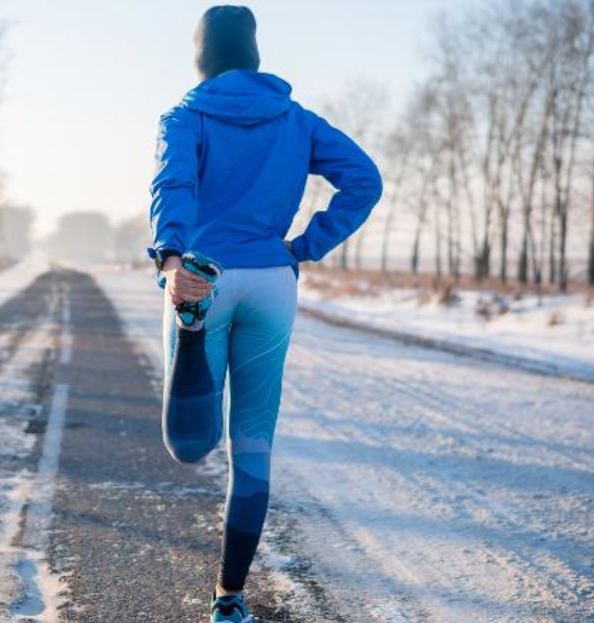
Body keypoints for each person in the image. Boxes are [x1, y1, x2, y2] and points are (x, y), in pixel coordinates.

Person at [146, 6, 383, 622]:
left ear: (202, 56)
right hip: (274, 283)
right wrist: (304, 246)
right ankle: (229, 600)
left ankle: (192, 334)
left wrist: (171, 258)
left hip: (202, 278)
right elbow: (364, 180)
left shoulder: (186, 117)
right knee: (253, 445)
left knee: (190, 445)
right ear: (252, 54)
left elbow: (173, 186)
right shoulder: (297, 121)